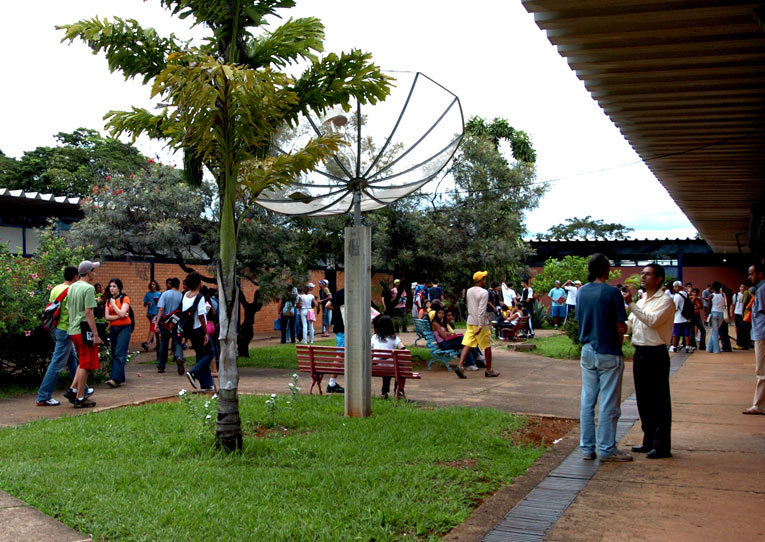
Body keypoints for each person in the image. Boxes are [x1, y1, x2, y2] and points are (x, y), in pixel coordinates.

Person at [576, 253, 631, 462]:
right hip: (608, 350)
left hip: (587, 350)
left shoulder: (581, 292)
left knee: (587, 400)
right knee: (609, 403)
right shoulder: (612, 293)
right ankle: (607, 449)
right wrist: (618, 344)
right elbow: (621, 325)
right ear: (607, 270)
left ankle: (587, 448)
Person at [625, 263, 676, 459]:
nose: (643, 277)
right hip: (640, 353)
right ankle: (648, 440)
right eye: (642, 274)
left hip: (656, 354)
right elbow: (632, 323)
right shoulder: (643, 299)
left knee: (659, 401)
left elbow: (652, 321)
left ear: (659, 279)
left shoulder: (665, 301)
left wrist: (632, 305)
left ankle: (662, 445)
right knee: (643, 399)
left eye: (647, 274)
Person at [36, 266, 82, 406]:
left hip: (55, 329)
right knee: (56, 364)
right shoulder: (71, 291)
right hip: (66, 330)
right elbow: (70, 312)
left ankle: (82, 389)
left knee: (72, 360)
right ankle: (43, 396)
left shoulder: (56, 288)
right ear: (75, 276)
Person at [64, 260, 104, 408]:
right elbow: (88, 312)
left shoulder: (72, 287)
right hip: (83, 330)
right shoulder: (88, 288)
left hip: (72, 329)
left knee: (82, 361)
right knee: (86, 365)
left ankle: (73, 389)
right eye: (93, 271)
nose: (95, 273)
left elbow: (69, 308)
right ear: (88, 273)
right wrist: (95, 334)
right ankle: (80, 397)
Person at [455, 271, 499, 379]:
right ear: (481, 280)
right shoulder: (484, 293)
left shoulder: (469, 291)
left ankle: (460, 366)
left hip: (470, 320)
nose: (485, 280)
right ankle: (489, 370)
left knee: (468, 343)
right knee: (487, 346)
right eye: (484, 278)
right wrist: (480, 325)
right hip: (480, 322)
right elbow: (481, 310)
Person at [182, 272, 216, 392]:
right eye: (200, 281)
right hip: (199, 329)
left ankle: (206, 383)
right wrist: (206, 333)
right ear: (198, 283)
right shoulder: (200, 297)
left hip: (190, 331)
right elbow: (201, 316)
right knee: (211, 353)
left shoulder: (186, 295)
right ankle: (193, 372)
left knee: (200, 354)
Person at [743, 263, 765, 415]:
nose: (749, 277)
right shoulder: (760, 289)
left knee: (762, 371)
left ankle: (759, 405)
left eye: (751, 274)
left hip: (762, 334)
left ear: (760, 274)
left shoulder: (762, 290)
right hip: (760, 333)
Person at [104, 278, 132, 388]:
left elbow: (123, 312)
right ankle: (121, 378)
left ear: (119, 288)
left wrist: (114, 305)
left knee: (119, 353)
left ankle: (114, 379)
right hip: (113, 328)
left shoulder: (124, 298)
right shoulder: (107, 301)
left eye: (114, 286)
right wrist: (118, 316)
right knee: (114, 352)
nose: (112, 288)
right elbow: (107, 317)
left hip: (124, 328)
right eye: (110, 286)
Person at [371, 315, 407, 398]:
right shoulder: (394, 338)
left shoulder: (374, 337)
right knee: (397, 367)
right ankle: (398, 390)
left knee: (387, 367)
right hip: (390, 366)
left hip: (376, 366)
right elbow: (404, 350)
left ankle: (384, 392)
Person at [155, 277, 184, 373]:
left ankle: (161, 364)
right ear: (178, 285)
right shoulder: (181, 296)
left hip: (165, 322)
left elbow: (161, 309)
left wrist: (156, 322)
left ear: (170, 284)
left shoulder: (165, 294)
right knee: (177, 342)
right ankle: (179, 357)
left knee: (164, 342)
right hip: (177, 322)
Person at [324, 289, 345, 393]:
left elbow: (328, 305)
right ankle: (331, 383)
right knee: (340, 355)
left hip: (340, 328)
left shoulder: (340, 292)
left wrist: (337, 310)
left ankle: (332, 383)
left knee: (342, 355)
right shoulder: (354, 293)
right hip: (344, 329)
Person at [669, 281, 693, 353]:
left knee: (676, 333)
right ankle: (688, 347)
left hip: (678, 318)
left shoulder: (677, 296)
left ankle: (674, 347)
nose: (674, 288)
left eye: (675, 286)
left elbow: (675, 308)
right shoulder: (685, 294)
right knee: (686, 333)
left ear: (679, 287)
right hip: (686, 317)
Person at [706, 282, 726, 354]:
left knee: (714, 332)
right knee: (715, 331)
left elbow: (709, 307)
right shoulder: (723, 295)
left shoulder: (711, 296)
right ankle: (709, 348)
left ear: (713, 287)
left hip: (714, 313)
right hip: (721, 313)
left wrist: (706, 315)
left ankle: (716, 349)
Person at [732, 283, 748, 350]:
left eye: (744, 287)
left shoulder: (747, 295)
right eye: (741, 287)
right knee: (737, 326)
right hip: (737, 312)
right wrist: (731, 312)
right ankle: (738, 338)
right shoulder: (736, 295)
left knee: (743, 328)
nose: (742, 288)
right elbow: (733, 304)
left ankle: (742, 341)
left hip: (744, 313)